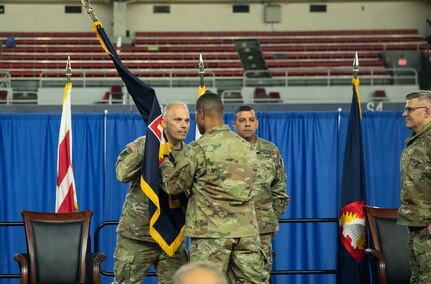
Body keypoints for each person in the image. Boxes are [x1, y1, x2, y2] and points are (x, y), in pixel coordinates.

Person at [160, 91, 268, 283]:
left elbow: (173, 185)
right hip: (247, 233)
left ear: (201, 114)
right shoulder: (248, 147)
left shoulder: (198, 148)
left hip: (211, 235)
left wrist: (165, 162)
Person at [113, 101, 191, 284]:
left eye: (187, 120)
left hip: (171, 237)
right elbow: (122, 174)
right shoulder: (143, 145)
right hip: (137, 235)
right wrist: (148, 146)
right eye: (178, 119)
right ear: (163, 122)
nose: (184, 125)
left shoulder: (191, 154)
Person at [232, 105, 290, 279]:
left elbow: (279, 190)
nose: (247, 124)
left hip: (261, 229)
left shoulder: (270, 150)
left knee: (259, 276)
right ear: (234, 125)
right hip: (230, 228)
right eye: (242, 120)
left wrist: (270, 218)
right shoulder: (226, 150)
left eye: (251, 120)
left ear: (257, 123)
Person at [397, 90, 431, 283]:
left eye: (409, 109)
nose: (404, 114)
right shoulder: (416, 139)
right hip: (417, 226)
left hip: (428, 228)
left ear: (426, 112)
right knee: (418, 279)